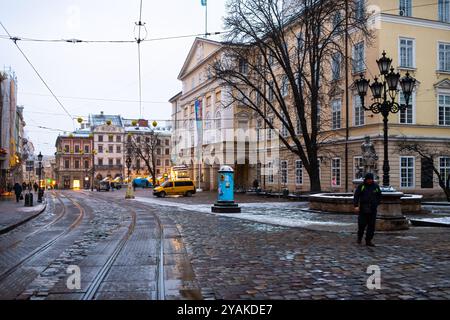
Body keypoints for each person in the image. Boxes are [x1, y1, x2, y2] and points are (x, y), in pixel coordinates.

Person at [353, 172, 381, 247]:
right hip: (363, 209)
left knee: (371, 226)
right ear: (366, 179)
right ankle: (359, 237)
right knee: (361, 225)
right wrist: (356, 205)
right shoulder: (361, 186)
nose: (370, 181)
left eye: (371, 179)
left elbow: (379, 195)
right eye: (368, 179)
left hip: (372, 209)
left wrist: (377, 203)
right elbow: (356, 196)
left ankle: (368, 240)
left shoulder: (375, 186)